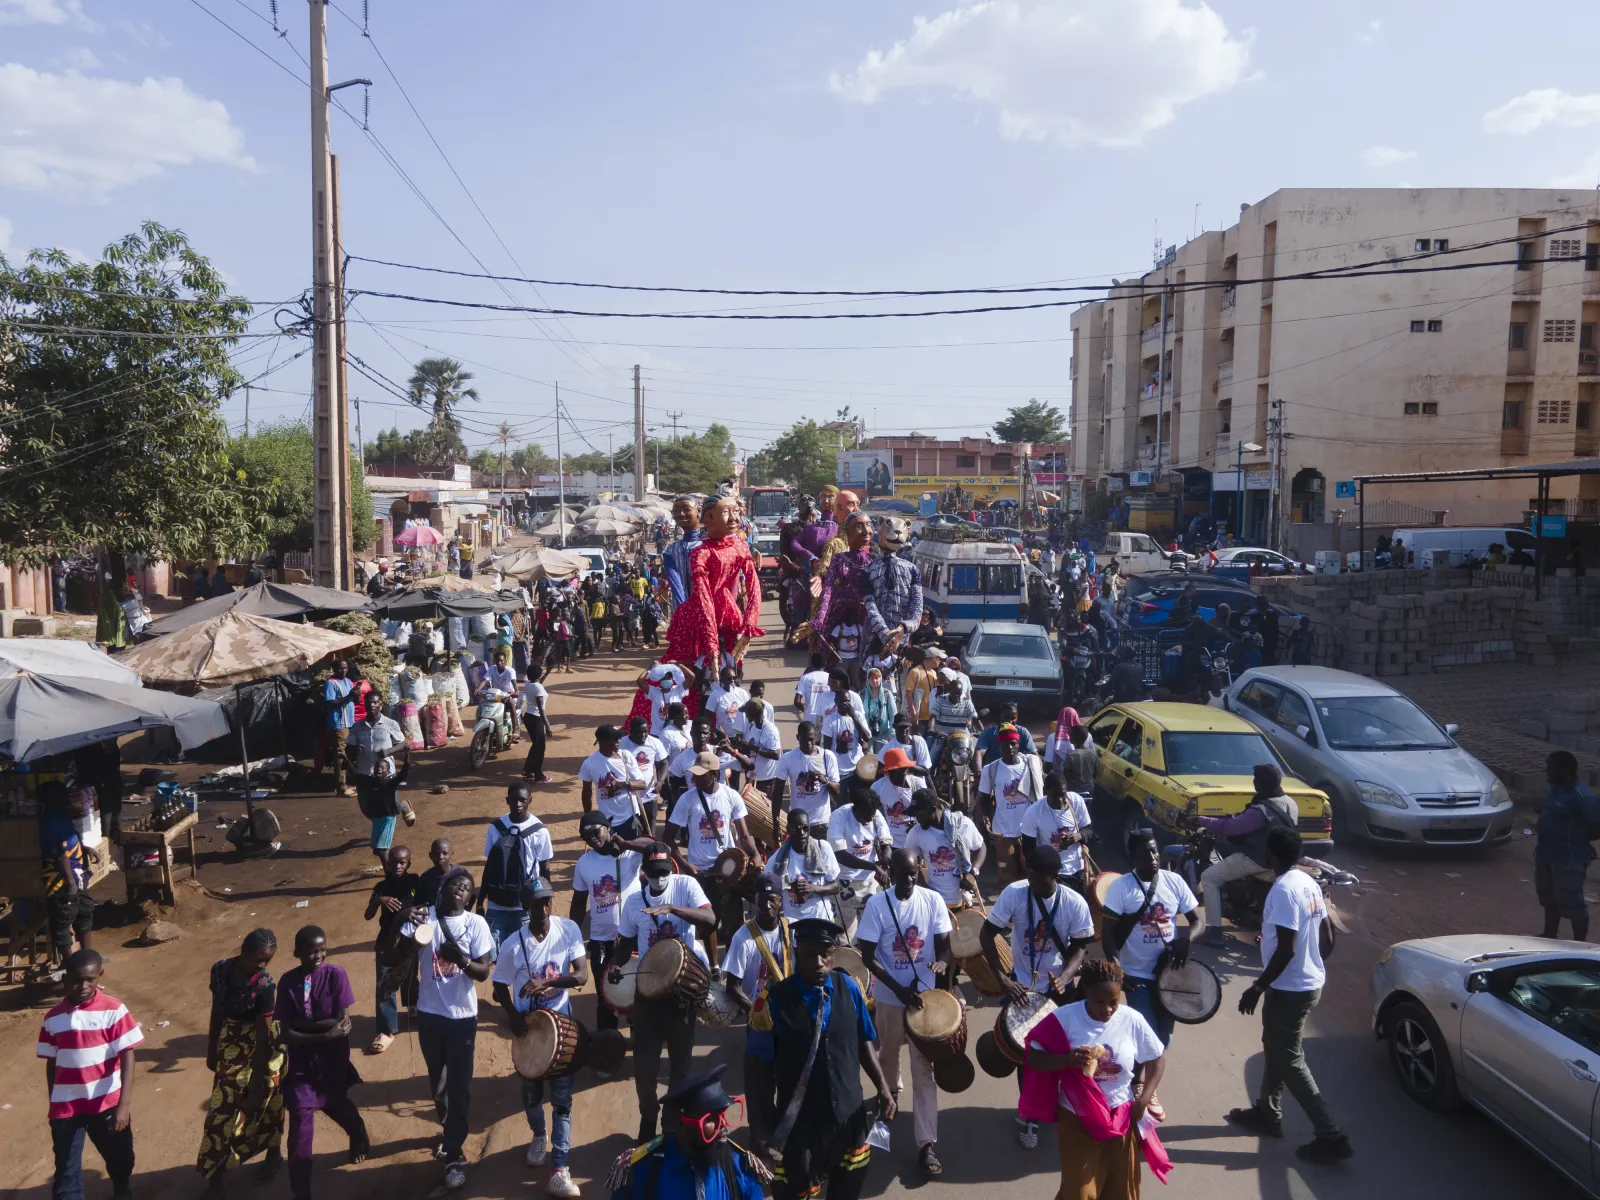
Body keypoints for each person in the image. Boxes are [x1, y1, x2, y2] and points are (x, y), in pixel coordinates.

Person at [1227, 827, 1352, 1164]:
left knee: (1290, 1059)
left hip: (1289, 990)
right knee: (1277, 1047)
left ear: (1273, 856)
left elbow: (1286, 950)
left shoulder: (1283, 889)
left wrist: (1257, 988)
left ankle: (1331, 1135)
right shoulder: (1307, 882)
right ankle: (1267, 1114)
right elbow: (1323, 936)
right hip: (1307, 983)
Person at [748, 918, 895, 1200]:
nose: (819, 963)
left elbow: (864, 1041)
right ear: (796, 953)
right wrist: (759, 1127)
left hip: (848, 1120)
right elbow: (757, 1066)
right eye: (810, 954)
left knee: (846, 1191)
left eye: (825, 954)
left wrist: (884, 1088)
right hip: (798, 1127)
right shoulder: (774, 1002)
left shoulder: (850, 988)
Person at [1016, 958, 1170, 1200]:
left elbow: (1157, 1057)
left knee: (1119, 1191)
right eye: (1100, 1002)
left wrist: (1144, 1098)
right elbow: (1033, 1057)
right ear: (1086, 992)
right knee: (1079, 1192)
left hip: (1121, 1116)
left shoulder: (1131, 1019)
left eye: (1114, 1002)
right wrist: (1066, 1060)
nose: (1107, 1009)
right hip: (1076, 1118)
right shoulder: (1064, 1018)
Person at [981, 844, 1095, 1148]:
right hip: (1022, 990)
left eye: (1035, 876)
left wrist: (1065, 976)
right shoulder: (1015, 893)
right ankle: (1030, 1116)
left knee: (1064, 1055)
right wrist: (1003, 979)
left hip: (1058, 991)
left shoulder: (1073, 902)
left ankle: (1064, 1107)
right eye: (1028, 874)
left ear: (1053, 876)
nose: (1029, 880)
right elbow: (985, 934)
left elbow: (1082, 945)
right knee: (1026, 1056)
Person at [855, 848, 954, 1177]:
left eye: (913, 873)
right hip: (888, 998)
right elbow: (867, 955)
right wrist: (896, 989)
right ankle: (888, 1100)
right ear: (890, 871)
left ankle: (926, 1143)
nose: (909, 880)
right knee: (888, 1056)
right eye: (902, 873)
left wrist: (942, 963)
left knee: (923, 1071)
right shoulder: (877, 904)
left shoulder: (932, 900)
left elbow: (944, 945)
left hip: (923, 1002)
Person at [395, 868, 494, 1192]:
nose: (459, 889)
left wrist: (461, 960)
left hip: (462, 1016)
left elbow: (482, 972)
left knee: (460, 1084)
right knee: (437, 1082)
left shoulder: (475, 924)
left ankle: (454, 1154)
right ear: (443, 890)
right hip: (429, 1014)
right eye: (454, 884)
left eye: (465, 888)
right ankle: (449, 1130)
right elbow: (397, 954)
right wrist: (404, 921)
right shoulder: (426, 919)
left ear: (470, 898)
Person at [492, 878, 589, 1196]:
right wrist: (513, 1015)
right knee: (531, 1095)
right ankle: (538, 1135)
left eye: (547, 901)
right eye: (536, 902)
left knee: (563, 1100)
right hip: (530, 1031)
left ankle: (560, 1168)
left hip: (562, 1028)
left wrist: (550, 984)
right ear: (525, 906)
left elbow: (581, 975)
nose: (543, 907)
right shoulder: (512, 944)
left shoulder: (569, 930)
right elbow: (498, 987)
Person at [615, 843, 718, 1142]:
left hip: (681, 995)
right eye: (653, 874)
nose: (660, 879)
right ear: (644, 874)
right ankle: (649, 1117)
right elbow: (624, 944)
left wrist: (673, 909)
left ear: (671, 869)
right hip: (648, 996)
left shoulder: (685, 886)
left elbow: (710, 921)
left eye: (664, 873)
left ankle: (672, 1122)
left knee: (680, 1067)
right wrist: (616, 965)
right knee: (645, 1071)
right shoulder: (634, 901)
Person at [39, 949, 141, 1200]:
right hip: (67, 1107)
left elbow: (128, 1054)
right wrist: (54, 1102)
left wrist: (123, 1106)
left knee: (120, 1156)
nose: (83, 986)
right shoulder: (52, 1018)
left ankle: (121, 1188)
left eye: (90, 979)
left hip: (105, 1103)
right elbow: (51, 1063)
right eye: (76, 980)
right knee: (66, 1172)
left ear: (99, 976)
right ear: (66, 979)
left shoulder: (113, 1010)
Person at [277, 926, 369, 1200]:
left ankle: (358, 1132)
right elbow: (282, 1032)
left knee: (336, 1105)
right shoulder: (287, 982)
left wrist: (302, 1026)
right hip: (300, 1065)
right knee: (300, 1129)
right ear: (297, 954)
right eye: (310, 951)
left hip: (332, 1060)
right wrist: (324, 1033)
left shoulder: (336, 975)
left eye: (321, 950)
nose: (317, 956)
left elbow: (342, 1022)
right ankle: (301, 1191)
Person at [198, 929, 285, 1194]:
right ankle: (214, 1178)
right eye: (258, 959)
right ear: (243, 950)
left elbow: (263, 1037)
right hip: (231, 1039)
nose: (261, 966)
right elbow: (217, 1010)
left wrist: (257, 1083)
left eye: (267, 961)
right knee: (221, 1111)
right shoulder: (220, 970)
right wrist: (212, 1049)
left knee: (268, 1101)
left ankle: (273, 1155)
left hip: (262, 1043)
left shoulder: (266, 986)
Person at [1102, 828, 1204, 1054]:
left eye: (1155, 851)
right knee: (1147, 1037)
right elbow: (1107, 933)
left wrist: (1187, 939)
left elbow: (1197, 921)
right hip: (1136, 976)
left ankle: (1142, 1080)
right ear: (1133, 857)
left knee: (1164, 1040)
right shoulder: (1121, 887)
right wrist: (1119, 971)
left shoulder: (1174, 881)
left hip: (1170, 975)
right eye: (1146, 853)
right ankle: (1140, 1085)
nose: (1153, 857)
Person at [606, 1064, 768, 1200]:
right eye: (711, 1118)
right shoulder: (645, 1168)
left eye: (724, 1115)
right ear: (681, 1121)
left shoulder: (739, 1167)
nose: (724, 1125)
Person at [1188, 764, 1298, 947]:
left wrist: (1199, 820)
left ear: (1260, 783)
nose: (1254, 782)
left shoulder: (1261, 810)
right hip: (1282, 857)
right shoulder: (1290, 803)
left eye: (1255, 779)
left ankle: (1214, 932)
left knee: (1210, 877)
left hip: (1258, 859)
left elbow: (1228, 828)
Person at [667, 751, 759, 949]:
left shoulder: (731, 796)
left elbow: (744, 836)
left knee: (734, 924)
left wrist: (756, 855)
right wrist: (684, 864)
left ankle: (734, 969)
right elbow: (668, 838)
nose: (693, 778)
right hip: (700, 873)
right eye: (694, 773)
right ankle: (712, 968)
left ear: (714, 775)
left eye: (700, 775)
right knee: (707, 926)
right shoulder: (686, 799)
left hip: (729, 871)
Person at [571, 811, 651, 1036]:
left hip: (633, 937)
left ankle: (640, 1038)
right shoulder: (584, 863)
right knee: (605, 994)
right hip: (602, 940)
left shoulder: (629, 855)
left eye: (595, 832)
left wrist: (627, 844)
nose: (592, 838)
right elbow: (578, 902)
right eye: (585, 836)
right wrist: (573, 936)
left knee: (639, 991)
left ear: (608, 828)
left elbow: (658, 848)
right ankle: (608, 1045)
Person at [478, 782, 555, 948]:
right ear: (507, 800)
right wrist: (479, 902)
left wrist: (545, 903)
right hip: (497, 905)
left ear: (530, 800)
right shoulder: (495, 828)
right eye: (514, 800)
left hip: (525, 906)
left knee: (524, 954)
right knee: (497, 960)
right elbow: (490, 867)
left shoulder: (540, 831)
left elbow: (545, 870)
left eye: (522, 800)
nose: (518, 804)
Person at [1536, 749, 1600, 941]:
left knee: (1572, 903)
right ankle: (1549, 935)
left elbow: (1596, 828)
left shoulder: (1583, 797)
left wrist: (1579, 842)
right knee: (1549, 897)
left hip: (1568, 859)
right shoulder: (1554, 788)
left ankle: (1580, 945)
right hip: (1546, 854)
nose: (1547, 771)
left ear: (1564, 770)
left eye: (1551, 767)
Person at [364, 844, 421, 1054]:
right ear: (387, 864)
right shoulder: (381, 887)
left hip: (411, 938)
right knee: (385, 981)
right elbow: (368, 915)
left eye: (402, 862)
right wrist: (380, 901)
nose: (397, 866)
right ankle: (387, 1030)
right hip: (386, 940)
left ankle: (413, 1006)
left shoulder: (414, 881)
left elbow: (425, 903)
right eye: (394, 862)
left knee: (410, 974)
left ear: (408, 864)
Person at [347, 700, 414, 871]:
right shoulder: (357, 726)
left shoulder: (390, 724)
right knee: (366, 809)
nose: (372, 705)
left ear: (380, 705)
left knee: (388, 806)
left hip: (386, 775)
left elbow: (404, 744)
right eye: (369, 702)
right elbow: (348, 748)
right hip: (364, 776)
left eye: (375, 702)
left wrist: (389, 752)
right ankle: (385, 823)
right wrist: (352, 752)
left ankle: (402, 806)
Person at [977, 724, 1045, 883]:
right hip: (1004, 832)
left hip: (1029, 832)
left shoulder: (1030, 765)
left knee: (1030, 875)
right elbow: (984, 798)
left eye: (1012, 743)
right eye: (1004, 744)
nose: (1009, 747)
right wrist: (986, 816)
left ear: (1018, 744)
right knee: (1006, 875)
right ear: (999, 745)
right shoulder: (990, 769)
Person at [39, 781, 98, 963]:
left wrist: (85, 848)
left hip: (76, 874)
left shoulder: (61, 817)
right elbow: (59, 854)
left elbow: (70, 839)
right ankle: (71, 964)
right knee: (63, 920)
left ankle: (87, 959)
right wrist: (70, 882)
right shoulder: (49, 822)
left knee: (84, 911)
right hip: (60, 880)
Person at [828, 782, 894, 940]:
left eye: (872, 816)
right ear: (855, 809)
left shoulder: (873, 813)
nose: (869, 819)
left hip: (870, 882)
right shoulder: (839, 817)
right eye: (866, 817)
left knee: (871, 934)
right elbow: (840, 855)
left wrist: (884, 861)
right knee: (846, 937)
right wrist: (873, 866)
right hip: (845, 881)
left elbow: (887, 844)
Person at [720, 875, 792, 1015]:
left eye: (772, 900)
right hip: (757, 1008)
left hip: (787, 1009)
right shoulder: (743, 938)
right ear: (755, 900)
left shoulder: (791, 929)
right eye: (762, 899)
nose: (767, 906)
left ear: (780, 901)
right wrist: (755, 1013)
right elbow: (732, 987)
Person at [905, 788, 986, 910]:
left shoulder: (963, 825)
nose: (917, 819)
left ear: (933, 809)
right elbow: (909, 864)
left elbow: (981, 847)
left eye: (920, 815)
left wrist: (973, 873)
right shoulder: (916, 833)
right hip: (934, 902)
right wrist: (924, 888)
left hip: (963, 899)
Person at [1019, 770, 1095, 894]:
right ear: (1046, 791)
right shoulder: (1033, 813)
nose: (1060, 800)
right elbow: (1028, 851)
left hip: (1078, 872)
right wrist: (1041, 878)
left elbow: (1089, 830)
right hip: (1053, 876)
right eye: (1055, 796)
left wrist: (1078, 836)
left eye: (1063, 795)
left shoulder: (1076, 801)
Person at [862, 515, 924, 661]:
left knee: (894, 679)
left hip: (900, 639)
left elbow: (917, 606)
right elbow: (870, 606)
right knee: (870, 677)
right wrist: (885, 634)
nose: (896, 534)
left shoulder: (912, 570)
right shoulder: (868, 570)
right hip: (873, 638)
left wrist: (905, 627)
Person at [767, 809, 844, 923]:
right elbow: (768, 887)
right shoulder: (777, 858)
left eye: (805, 828)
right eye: (796, 829)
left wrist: (812, 888)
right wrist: (790, 884)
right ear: (788, 830)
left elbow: (836, 886)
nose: (802, 833)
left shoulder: (823, 848)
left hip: (822, 920)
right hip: (793, 923)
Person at [581, 724, 653, 839]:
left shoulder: (626, 756)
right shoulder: (589, 764)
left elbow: (642, 784)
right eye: (615, 739)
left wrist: (621, 784)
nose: (619, 741)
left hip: (630, 818)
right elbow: (586, 793)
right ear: (602, 741)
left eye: (619, 738)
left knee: (631, 853)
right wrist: (589, 818)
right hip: (607, 822)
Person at [773, 721, 840, 833]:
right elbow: (778, 792)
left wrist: (825, 781)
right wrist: (776, 824)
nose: (808, 743)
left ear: (816, 737)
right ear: (797, 737)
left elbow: (837, 790)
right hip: (798, 823)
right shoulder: (787, 759)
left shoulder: (827, 757)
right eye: (804, 739)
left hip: (822, 823)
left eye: (811, 739)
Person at [728, 696, 784, 805]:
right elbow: (751, 750)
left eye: (747, 712)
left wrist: (754, 748)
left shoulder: (770, 729)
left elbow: (776, 754)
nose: (745, 715)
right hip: (753, 777)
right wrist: (741, 747)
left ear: (754, 713)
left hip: (766, 781)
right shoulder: (752, 726)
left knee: (764, 817)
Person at [870, 747, 920, 848]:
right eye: (900, 769)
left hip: (915, 840)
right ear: (889, 772)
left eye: (905, 768)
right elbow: (875, 815)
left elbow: (928, 811)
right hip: (891, 842)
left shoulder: (917, 784)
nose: (904, 772)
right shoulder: (878, 787)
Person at [662, 496, 705, 609]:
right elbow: (676, 586)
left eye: (687, 509)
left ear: (699, 511)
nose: (680, 514)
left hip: (707, 612)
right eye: (676, 511)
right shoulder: (671, 551)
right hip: (681, 615)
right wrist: (684, 611)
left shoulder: (708, 546)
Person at [323, 660, 357, 798]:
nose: (343, 671)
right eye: (340, 669)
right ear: (334, 670)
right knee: (340, 754)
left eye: (345, 668)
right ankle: (341, 787)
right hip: (338, 724)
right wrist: (349, 696)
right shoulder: (331, 683)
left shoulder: (348, 681)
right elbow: (330, 703)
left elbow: (356, 701)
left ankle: (346, 782)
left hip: (349, 722)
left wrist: (356, 694)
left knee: (347, 753)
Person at [521, 666, 552, 782]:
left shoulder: (529, 684)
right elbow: (541, 710)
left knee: (535, 745)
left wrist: (547, 673)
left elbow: (538, 682)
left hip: (528, 717)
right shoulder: (538, 688)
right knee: (540, 748)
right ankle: (538, 774)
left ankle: (528, 770)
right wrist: (548, 726)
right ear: (538, 675)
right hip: (536, 718)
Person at [903, 647, 940, 735]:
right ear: (934, 658)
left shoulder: (934, 673)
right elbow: (908, 693)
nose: (940, 661)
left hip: (931, 717)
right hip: (919, 717)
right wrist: (913, 713)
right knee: (917, 743)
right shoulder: (915, 672)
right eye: (939, 658)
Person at [793, 653, 833, 724]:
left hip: (809, 717)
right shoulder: (830, 678)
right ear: (825, 664)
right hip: (827, 717)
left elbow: (797, 702)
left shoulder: (805, 677)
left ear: (811, 664)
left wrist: (804, 709)